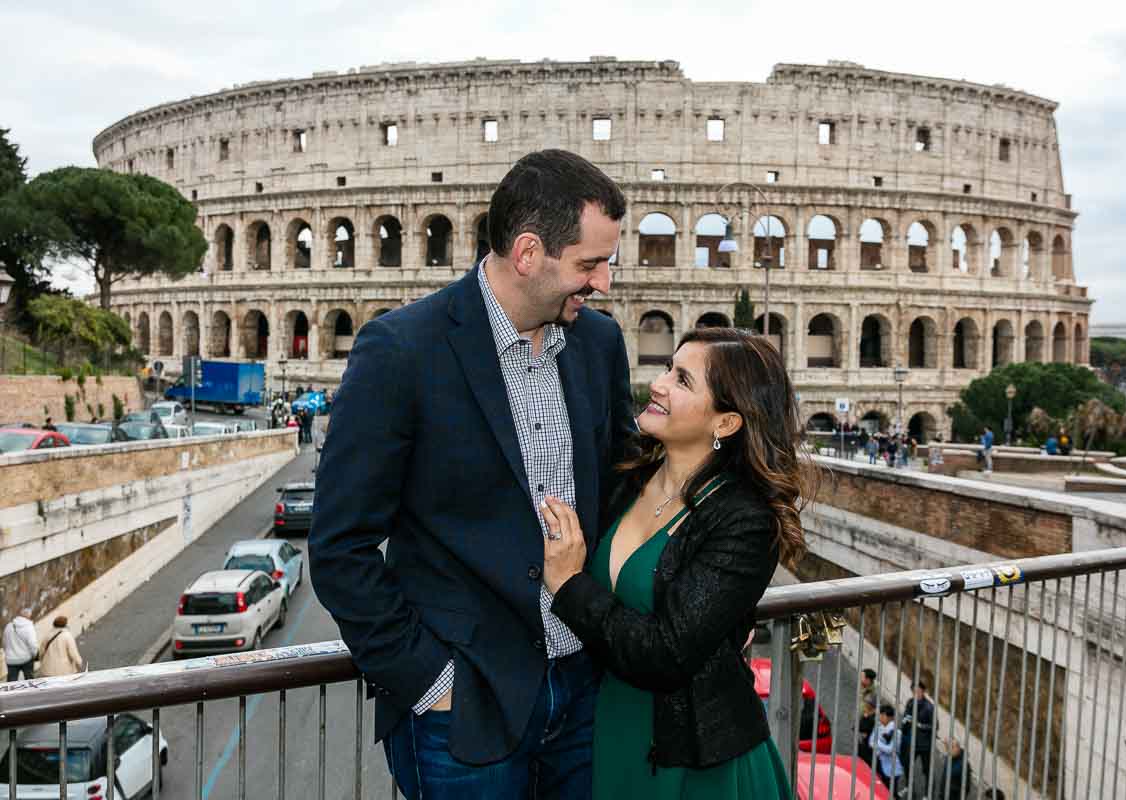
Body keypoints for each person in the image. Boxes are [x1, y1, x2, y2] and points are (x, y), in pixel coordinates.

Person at [309, 149, 635, 799]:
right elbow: (340, 545)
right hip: (465, 706)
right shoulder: (402, 350)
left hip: (583, 690)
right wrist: (430, 682)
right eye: (588, 265)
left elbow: (626, 488)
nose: (603, 284)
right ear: (527, 252)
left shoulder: (599, 346)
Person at [540, 327, 807, 799]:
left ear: (725, 423)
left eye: (683, 380)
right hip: (608, 730)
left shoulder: (744, 519)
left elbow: (665, 655)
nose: (659, 383)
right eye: (668, 369)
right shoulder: (628, 479)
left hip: (694, 758)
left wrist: (569, 585)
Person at [900, 681, 935, 788]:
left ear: (923, 691)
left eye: (918, 692)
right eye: (914, 692)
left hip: (925, 745)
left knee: (927, 770)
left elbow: (934, 726)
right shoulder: (910, 702)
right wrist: (905, 719)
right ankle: (909, 786)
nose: (916, 694)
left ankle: (927, 793)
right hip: (912, 742)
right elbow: (906, 715)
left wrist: (920, 725)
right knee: (906, 764)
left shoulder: (929, 707)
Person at [870, 704, 904, 792]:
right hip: (879, 763)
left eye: (882, 715)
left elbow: (890, 750)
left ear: (888, 717)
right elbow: (870, 742)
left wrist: (877, 743)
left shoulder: (896, 732)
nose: (880, 717)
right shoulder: (878, 725)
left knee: (890, 792)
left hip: (891, 769)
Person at [3, 608, 38, 682]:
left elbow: (5, 643)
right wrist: (35, 655)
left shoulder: (8, 626)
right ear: (29, 616)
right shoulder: (29, 627)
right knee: (30, 682)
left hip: (11, 659)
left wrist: (8, 653)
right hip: (26, 659)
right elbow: (32, 644)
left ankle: (11, 693)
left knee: (11, 684)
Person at [857, 694, 878, 764]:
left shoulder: (873, 718)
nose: (865, 705)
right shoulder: (866, 714)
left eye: (867, 703)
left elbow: (863, 730)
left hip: (868, 748)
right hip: (862, 744)